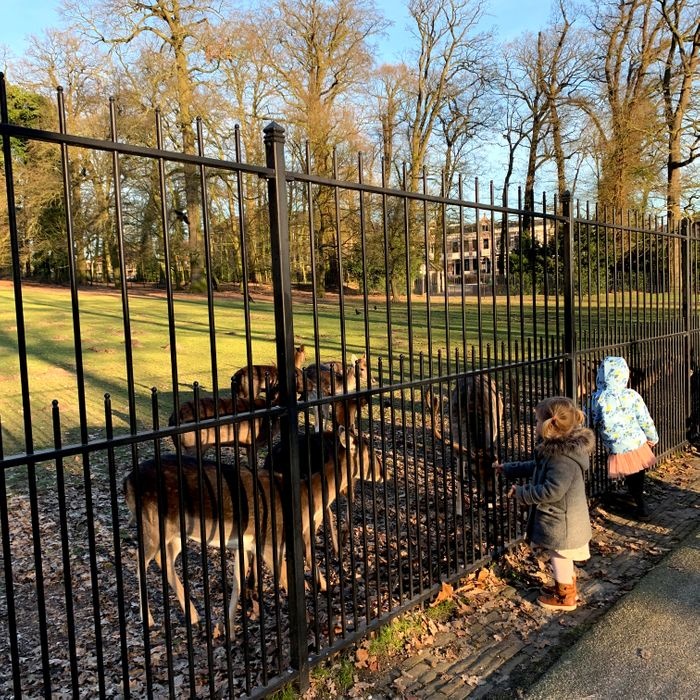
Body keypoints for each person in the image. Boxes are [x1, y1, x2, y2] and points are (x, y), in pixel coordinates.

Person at [494, 396, 594, 611]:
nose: (536, 425)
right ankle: (565, 586)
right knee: (562, 555)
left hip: (562, 521)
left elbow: (553, 490)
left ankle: (565, 597)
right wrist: (510, 469)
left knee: (559, 555)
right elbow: (536, 466)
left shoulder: (562, 458)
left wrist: (523, 493)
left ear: (550, 424)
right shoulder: (557, 451)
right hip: (562, 518)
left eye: (538, 421)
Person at [590, 356, 658, 520]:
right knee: (637, 474)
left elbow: (592, 420)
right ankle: (639, 502)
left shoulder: (597, 398)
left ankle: (637, 500)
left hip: (617, 445)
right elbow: (645, 419)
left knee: (631, 473)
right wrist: (652, 437)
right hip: (637, 442)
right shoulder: (632, 395)